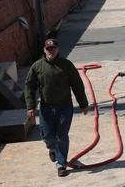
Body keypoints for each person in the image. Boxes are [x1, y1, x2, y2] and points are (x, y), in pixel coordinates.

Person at [24, 39, 89, 177]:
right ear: (44, 50)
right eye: (48, 49)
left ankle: (61, 165)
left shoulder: (66, 65)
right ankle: (52, 149)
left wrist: (83, 104)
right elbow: (29, 86)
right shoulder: (37, 67)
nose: (51, 51)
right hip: (46, 108)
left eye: (53, 48)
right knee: (47, 135)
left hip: (64, 106)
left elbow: (77, 85)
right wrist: (30, 106)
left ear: (58, 49)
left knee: (62, 136)